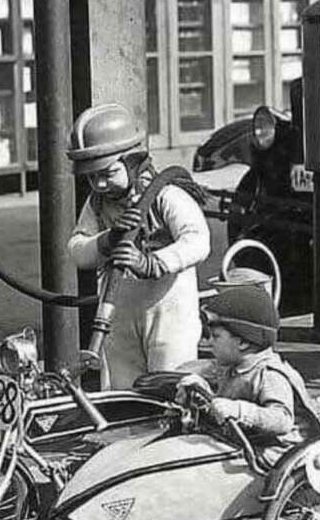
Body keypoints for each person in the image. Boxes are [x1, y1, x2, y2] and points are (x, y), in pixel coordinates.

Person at [66, 103, 211, 388]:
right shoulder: (97, 205)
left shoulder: (165, 195)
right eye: (92, 177)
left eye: (107, 173)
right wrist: (106, 241)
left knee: (172, 383)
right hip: (119, 306)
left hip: (168, 307)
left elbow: (198, 240)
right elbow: (76, 249)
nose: (100, 184)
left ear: (132, 161)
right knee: (123, 388)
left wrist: (152, 263)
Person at [176, 285, 318, 463]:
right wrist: (200, 392)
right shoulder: (232, 366)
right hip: (248, 440)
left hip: (278, 451)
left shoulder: (269, 374)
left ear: (242, 342)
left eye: (215, 336)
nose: (208, 342)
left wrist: (239, 410)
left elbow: (282, 420)